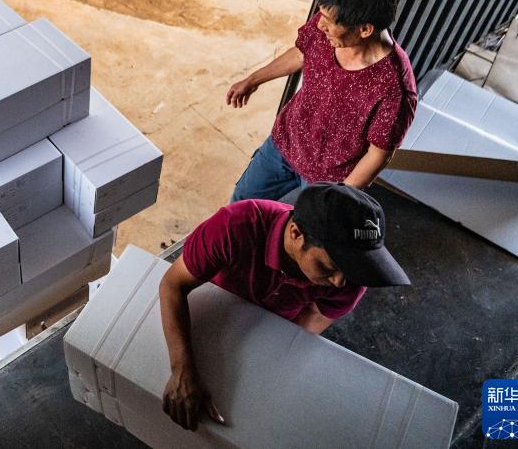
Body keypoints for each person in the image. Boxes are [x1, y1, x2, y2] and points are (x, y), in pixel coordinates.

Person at [159, 183, 410, 431]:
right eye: (330, 267)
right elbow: (173, 284)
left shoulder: (352, 276)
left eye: (352, 269)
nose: (339, 282)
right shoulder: (234, 226)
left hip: (275, 323)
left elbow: (313, 319)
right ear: (296, 234)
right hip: (216, 307)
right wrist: (181, 368)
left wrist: (270, 365)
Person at [226, 0, 417, 202]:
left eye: (328, 21)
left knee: (292, 224)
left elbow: (378, 154)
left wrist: (337, 197)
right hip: (283, 145)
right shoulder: (329, 27)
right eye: (321, 16)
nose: (319, 25)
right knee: (241, 204)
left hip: (326, 181)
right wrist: (253, 80)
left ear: (365, 29)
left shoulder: (394, 88)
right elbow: (301, 54)